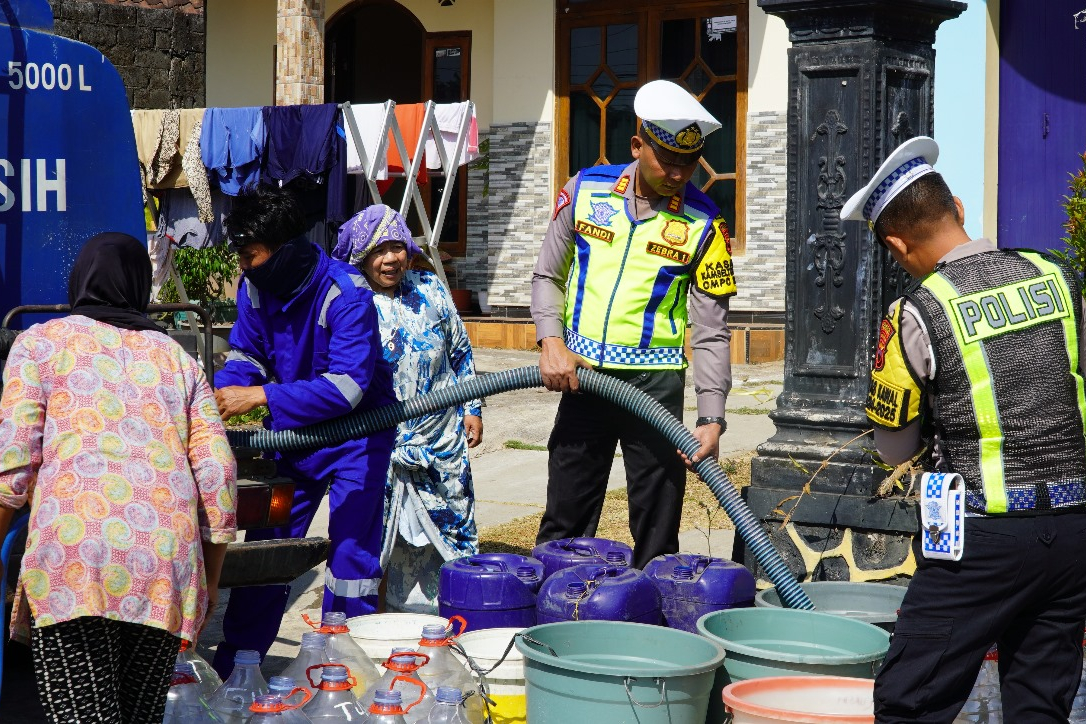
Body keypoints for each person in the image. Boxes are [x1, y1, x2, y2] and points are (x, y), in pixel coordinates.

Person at [842, 136, 1086, 722]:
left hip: (983, 541)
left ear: (897, 243)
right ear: (957, 206)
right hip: (1076, 531)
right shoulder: (1056, 275)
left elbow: (893, 443)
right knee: (1042, 705)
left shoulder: (917, 312)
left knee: (910, 698)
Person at [0, 233, 237, 723]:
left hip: (76, 558)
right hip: (163, 562)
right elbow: (218, 471)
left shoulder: (39, 343)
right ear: (140, 287)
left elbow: (14, 460)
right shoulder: (179, 361)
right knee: (140, 715)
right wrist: (209, 579)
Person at [531, 80, 737, 569]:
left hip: (655, 387)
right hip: (583, 377)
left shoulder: (705, 224)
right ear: (637, 145)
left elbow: (711, 330)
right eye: (666, 159)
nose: (677, 173)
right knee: (565, 516)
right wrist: (550, 342)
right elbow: (548, 275)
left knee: (657, 527)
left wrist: (712, 415)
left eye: (688, 163)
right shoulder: (584, 190)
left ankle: (653, 630)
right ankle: (555, 622)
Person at [212, 186, 396, 676]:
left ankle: (347, 671)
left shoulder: (346, 293)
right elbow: (245, 355)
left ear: (284, 249)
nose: (245, 266)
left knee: (352, 555)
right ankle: (239, 668)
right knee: (268, 552)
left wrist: (262, 397)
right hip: (293, 440)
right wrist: (224, 395)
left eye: (251, 255)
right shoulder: (254, 287)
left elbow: (347, 388)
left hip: (358, 438)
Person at [333, 204, 482, 613]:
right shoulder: (351, 300)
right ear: (361, 255)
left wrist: (472, 407)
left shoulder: (430, 288)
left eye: (398, 247)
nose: (391, 259)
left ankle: (457, 619)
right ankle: (377, 625)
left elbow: (459, 351)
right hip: (382, 443)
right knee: (381, 540)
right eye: (379, 250)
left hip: (442, 440)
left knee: (452, 536)